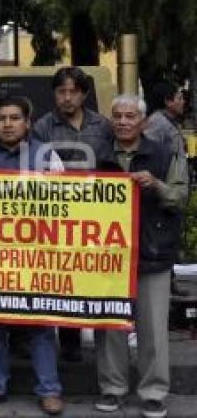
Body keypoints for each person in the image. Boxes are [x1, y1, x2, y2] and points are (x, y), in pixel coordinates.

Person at [0, 93, 64, 416]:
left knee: (40, 321)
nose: (8, 124)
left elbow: (69, 206)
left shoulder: (47, 155)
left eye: (14, 118)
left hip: (37, 253)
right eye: (1, 118)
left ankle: (49, 390)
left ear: (28, 123)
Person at [94, 94, 188, 418]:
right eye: (117, 116)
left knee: (152, 329)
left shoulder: (163, 154)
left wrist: (157, 185)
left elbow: (180, 198)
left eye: (130, 116)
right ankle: (112, 389)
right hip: (109, 254)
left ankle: (153, 392)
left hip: (152, 251)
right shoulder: (98, 155)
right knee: (110, 327)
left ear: (143, 121)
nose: (122, 122)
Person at [32, 66, 114, 362]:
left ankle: (99, 331)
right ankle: (69, 341)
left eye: (73, 92)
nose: (66, 98)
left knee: (91, 271)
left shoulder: (102, 125)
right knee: (63, 273)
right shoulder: (42, 127)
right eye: (61, 92)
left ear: (84, 94)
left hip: (95, 214)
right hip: (58, 213)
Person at [144, 81, 189, 297]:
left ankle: (170, 280)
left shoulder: (169, 122)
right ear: (167, 101)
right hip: (161, 192)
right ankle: (166, 283)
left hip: (171, 191)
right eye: (178, 98)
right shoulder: (157, 124)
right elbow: (151, 156)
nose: (183, 102)